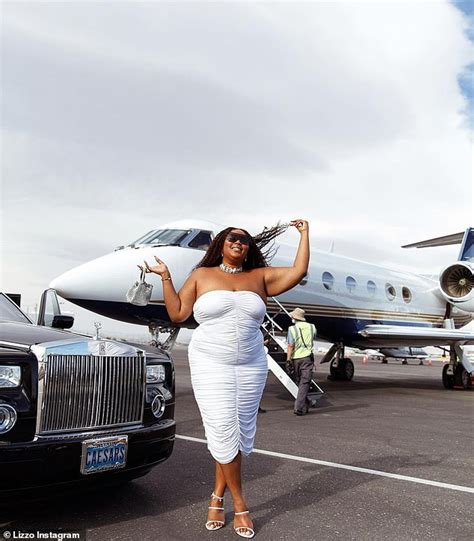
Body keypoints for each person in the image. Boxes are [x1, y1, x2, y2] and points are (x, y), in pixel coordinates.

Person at [141, 219, 310, 539]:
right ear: (221, 243)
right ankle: (241, 504)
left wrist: (304, 234)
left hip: (250, 365)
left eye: (245, 240)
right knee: (223, 430)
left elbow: (298, 271)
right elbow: (177, 313)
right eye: (233, 238)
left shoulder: (259, 277)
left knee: (240, 436)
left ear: (249, 249)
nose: (239, 242)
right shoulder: (201, 276)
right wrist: (165, 278)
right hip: (210, 362)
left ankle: (217, 497)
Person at [286, 308, 317, 416]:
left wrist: (288, 359)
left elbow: (290, 345)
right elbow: (313, 338)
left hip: (296, 359)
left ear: (294, 318)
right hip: (307, 358)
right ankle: (306, 402)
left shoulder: (291, 329)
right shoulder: (312, 327)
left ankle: (298, 408)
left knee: (301, 382)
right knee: (304, 382)